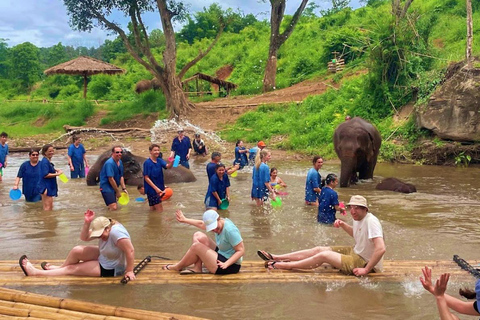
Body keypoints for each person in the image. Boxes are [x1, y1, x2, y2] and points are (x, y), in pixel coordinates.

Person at [259, 195, 386, 276]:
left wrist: (366, 270)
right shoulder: (357, 218)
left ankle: (285, 265)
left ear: (365, 209)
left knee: (323, 256)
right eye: (351, 208)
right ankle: (276, 256)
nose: (353, 211)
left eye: (357, 208)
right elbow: (357, 235)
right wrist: (343, 225)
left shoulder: (371, 221)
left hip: (363, 262)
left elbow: (381, 248)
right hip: (355, 252)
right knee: (319, 249)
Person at [18, 209, 135, 281]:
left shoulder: (116, 232)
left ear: (108, 229)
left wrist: (129, 271)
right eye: (98, 235)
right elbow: (84, 238)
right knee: (76, 250)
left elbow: (130, 251)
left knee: (72, 269)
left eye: (101, 234)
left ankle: (37, 273)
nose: (100, 237)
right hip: (107, 255)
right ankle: (59, 269)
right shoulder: (105, 229)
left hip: (112, 268)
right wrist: (87, 222)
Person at [163, 209, 244, 275]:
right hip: (221, 254)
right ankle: (197, 267)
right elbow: (201, 224)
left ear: (219, 219)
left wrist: (226, 264)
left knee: (196, 247)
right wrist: (185, 220)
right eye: (212, 228)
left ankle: (177, 267)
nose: (215, 230)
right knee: (198, 235)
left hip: (229, 265)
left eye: (216, 227)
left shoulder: (230, 230)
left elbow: (241, 250)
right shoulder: (218, 222)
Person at [143, 144, 173, 212]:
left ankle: (152, 222)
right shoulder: (147, 163)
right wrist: (156, 189)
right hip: (152, 190)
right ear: (150, 152)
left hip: (158, 189)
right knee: (160, 210)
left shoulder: (159, 160)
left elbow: (168, 166)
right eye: (155, 150)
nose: (157, 152)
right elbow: (146, 177)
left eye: (158, 150)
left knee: (153, 209)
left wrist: (172, 162)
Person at [99, 146, 127, 211]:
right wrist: (117, 191)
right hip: (106, 187)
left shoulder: (120, 162)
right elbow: (110, 178)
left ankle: (110, 218)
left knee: (113, 207)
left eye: (121, 152)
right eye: (117, 152)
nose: (119, 154)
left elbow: (121, 176)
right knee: (114, 207)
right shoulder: (109, 163)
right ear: (112, 153)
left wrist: (124, 188)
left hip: (113, 187)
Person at [36, 144, 62, 211]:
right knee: (48, 208)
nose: (51, 153)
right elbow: (45, 174)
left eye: (52, 151)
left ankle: (46, 220)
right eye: (49, 151)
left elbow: (46, 170)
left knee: (48, 207)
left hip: (47, 186)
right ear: (45, 152)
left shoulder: (47, 161)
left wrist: (55, 170)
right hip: (46, 187)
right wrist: (57, 174)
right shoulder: (45, 161)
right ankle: (47, 220)